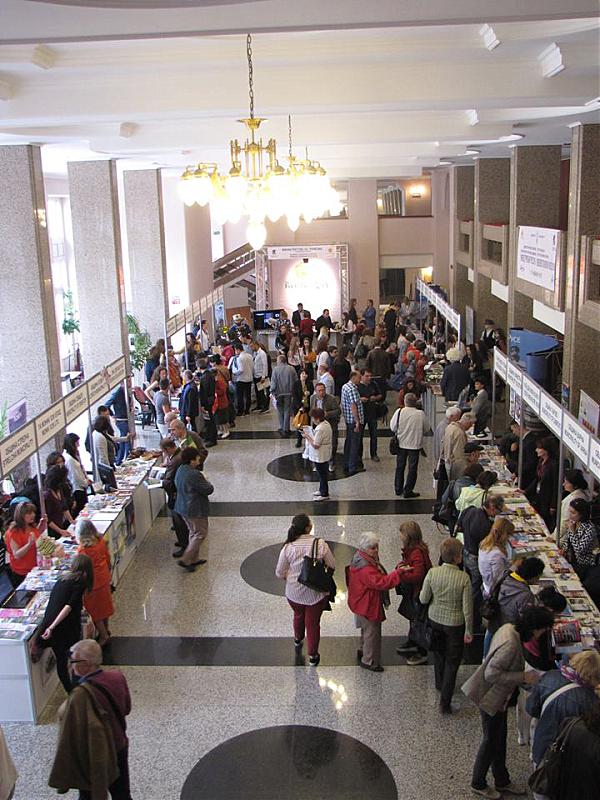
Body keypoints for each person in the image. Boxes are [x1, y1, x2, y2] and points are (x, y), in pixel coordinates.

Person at [464, 606, 554, 799]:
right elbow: (491, 674)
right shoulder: (511, 645)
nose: (542, 634)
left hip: (500, 699)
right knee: (490, 741)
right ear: (534, 628)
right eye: (542, 630)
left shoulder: (509, 628)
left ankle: (502, 780)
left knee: (499, 738)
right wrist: (523, 676)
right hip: (491, 698)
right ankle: (478, 783)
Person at [48, 638, 132, 800]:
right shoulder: (117, 677)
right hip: (119, 744)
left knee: (88, 795)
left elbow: (71, 728)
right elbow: (127, 708)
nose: (71, 665)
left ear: (86, 664)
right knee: (122, 793)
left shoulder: (80, 695)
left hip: (94, 754)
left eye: (74, 661)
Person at [419, 537, 473, 710]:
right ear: (457, 557)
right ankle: (445, 701)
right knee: (452, 661)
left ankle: (439, 683)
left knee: (439, 653)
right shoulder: (463, 578)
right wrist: (469, 630)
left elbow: (423, 598)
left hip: (435, 619)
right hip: (455, 624)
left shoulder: (432, 573)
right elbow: (467, 609)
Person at [275, 514, 335, 666]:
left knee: (298, 615)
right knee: (313, 624)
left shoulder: (288, 547)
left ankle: (298, 638)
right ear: (308, 528)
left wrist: (290, 577)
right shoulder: (320, 544)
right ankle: (313, 655)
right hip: (315, 594)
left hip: (293, 594)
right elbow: (332, 565)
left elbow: (279, 573)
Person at [526, 650, 600, 771]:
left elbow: (531, 708)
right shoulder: (590, 701)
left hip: (542, 745)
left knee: (540, 778)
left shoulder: (549, 676)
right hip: (568, 757)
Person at [347, 530, 403, 672]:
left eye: (377, 546)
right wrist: (398, 573)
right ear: (365, 548)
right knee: (372, 633)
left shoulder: (359, 558)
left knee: (366, 630)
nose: (377, 550)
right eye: (373, 548)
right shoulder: (366, 569)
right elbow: (382, 582)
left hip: (359, 601)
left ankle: (363, 650)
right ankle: (370, 661)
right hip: (368, 604)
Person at [38, 553, 94, 693]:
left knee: (61, 660)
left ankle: (70, 690)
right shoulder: (80, 582)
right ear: (86, 570)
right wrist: (52, 627)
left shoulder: (63, 578)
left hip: (53, 624)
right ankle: (76, 687)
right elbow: (68, 607)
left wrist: (50, 627)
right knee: (74, 656)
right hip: (66, 627)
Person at [461, 494, 505, 633]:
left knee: (470, 586)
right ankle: (474, 621)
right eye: (497, 510)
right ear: (491, 507)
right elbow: (487, 544)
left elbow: (460, 524)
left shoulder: (470, 510)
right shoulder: (484, 525)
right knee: (475, 591)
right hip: (475, 557)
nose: (497, 514)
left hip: (466, 551)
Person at [395, 521, 432, 662]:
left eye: (402, 533)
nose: (400, 536)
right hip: (415, 591)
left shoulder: (416, 553)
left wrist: (401, 574)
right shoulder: (415, 550)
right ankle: (413, 641)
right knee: (413, 618)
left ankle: (421, 651)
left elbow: (418, 575)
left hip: (417, 592)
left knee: (418, 620)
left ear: (408, 536)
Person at [174, 446, 214, 572]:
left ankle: (194, 559)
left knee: (193, 532)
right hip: (195, 509)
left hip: (182, 506)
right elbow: (208, 489)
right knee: (200, 534)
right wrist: (207, 481)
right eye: (197, 458)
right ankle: (186, 559)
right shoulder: (194, 474)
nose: (199, 459)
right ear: (191, 460)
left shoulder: (181, 469)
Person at [76, 519, 114, 647]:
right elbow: (107, 558)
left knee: (95, 611)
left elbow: (80, 569)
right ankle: (106, 630)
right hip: (104, 578)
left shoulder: (82, 551)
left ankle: (103, 636)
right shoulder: (100, 542)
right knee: (104, 607)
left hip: (92, 583)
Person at [489, 556, 546, 637]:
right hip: (509, 631)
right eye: (538, 577)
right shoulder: (525, 594)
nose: (538, 580)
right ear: (534, 576)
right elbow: (526, 619)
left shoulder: (505, 575)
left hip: (494, 621)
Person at [389, 393, 428, 498]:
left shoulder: (399, 412)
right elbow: (427, 428)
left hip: (401, 444)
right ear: (415, 403)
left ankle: (398, 489)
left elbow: (393, 427)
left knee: (400, 466)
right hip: (415, 445)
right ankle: (408, 490)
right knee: (412, 468)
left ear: (405, 402)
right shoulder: (420, 414)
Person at [4, 502, 46, 588]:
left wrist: (41, 527)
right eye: (29, 513)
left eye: (33, 512)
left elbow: (34, 537)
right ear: (21, 515)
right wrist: (29, 544)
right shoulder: (13, 532)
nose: (33, 515)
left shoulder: (31, 526)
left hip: (35, 568)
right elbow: (17, 555)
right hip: (22, 573)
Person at [160, 438, 189, 558]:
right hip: (181, 492)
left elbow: (169, 481)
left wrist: (160, 483)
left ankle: (184, 544)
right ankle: (183, 541)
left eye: (164, 451)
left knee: (178, 521)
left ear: (168, 449)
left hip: (176, 494)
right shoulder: (179, 455)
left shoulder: (174, 461)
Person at [525, 436, 559, 531]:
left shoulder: (554, 465)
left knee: (545, 521)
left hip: (547, 499)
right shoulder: (541, 461)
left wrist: (553, 505)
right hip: (538, 496)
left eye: (539, 448)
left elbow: (556, 486)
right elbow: (537, 479)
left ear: (546, 450)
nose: (536, 450)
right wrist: (526, 491)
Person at [561, 498, 600, 580]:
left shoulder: (589, 529)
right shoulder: (573, 522)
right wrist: (564, 549)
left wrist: (572, 532)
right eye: (569, 512)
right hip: (570, 559)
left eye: (573, 513)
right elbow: (568, 540)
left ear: (582, 514)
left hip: (583, 565)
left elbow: (579, 550)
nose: (570, 515)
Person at [478, 518, 515, 599]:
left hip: (486, 584)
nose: (509, 539)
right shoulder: (496, 555)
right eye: (509, 535)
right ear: (503, 534)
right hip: (494, 592)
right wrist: (513, 568)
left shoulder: (484, 543)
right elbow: (499, 579)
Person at [310, 382, 341, 472]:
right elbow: (311, 410)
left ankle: (331, 462)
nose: (321, 392)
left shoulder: (331, 399)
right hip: (317, 425)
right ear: (316, 391)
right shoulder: (312, 398)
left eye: (323, 390)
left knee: (333, 444)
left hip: (330, 425)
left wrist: (327, 414)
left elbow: (338, 411)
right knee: (317, 443)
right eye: (319, 391)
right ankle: (316, 463)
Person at [303, 408, 332, 501]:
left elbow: (316, 445)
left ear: (318, 419)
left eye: (313, 418)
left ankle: (324, 494)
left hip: (320, 454)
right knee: (322, 473)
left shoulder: (320, 429)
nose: (312, 420)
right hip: (325, 452)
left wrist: (307, 437)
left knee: (322, 474)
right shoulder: (326, 424)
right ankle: (321, 489)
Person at [557, 468, 591, 546]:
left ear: (574, 485)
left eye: (567, 482)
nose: (563, 484)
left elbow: (564, 522)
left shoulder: (573, 499)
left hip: (566, 539)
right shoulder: (581, 494)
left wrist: (554, 537)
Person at [341, 370, 364, 476]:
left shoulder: (345, 386)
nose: (360, 379)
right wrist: (357, 421)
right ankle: (352, 466)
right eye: (359, 377)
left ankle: (346, 463)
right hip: (353, 421)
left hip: (348, 419)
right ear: (353, 377)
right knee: (354, 444)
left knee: (349, 442)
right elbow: (353, 406)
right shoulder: (352, 389)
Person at [358, 368, 383, 463]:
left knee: (374, 435)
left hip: (372, 413)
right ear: (362, 376)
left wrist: (375, 398)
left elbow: (380, 395)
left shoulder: (374, 384)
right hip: (362, 414)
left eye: (370, 376)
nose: (369, 378)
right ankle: (359, 455)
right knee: (360, 436)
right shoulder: (358, 386)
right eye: (367, 376)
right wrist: (360, 399)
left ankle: (374, 454)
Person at [270, 354, 299, 437]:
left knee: (280, 410)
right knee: (287, 410)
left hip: (279, 393)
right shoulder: (291, 369)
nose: (276, 362)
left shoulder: (275, 370)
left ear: (280, 361)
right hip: (289, 393)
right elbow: (296, 380)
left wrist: (271, 391)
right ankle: (286, 428)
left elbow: (273, 382)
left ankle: (282, 427)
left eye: (277, 360)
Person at [44, 465, 75, 539]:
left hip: (61, 525)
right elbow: (48, 519)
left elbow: (64, 507)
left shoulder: (59, 489)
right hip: (53, 531)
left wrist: (71, 520)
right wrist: (60, 531)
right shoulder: (47, 495)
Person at [63, 433, 91, 515]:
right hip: (77, 489)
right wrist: (85, 482)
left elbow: (81, 467)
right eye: (77, 443)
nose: (78, 445)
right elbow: (75, 476)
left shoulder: (74, 455)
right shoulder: (69, 459)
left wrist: (86, 478)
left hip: (81, 485)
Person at [443, 412, 475, 480]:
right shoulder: (459, 434)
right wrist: (469, 461)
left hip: (448, 459)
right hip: (455, 465)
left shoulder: (450, 426)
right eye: (471, 424)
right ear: (468, 423)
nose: (470, 427)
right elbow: (459, 455)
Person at [105, 383, 131, 465]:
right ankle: (126, 459)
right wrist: (113, 415)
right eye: (128, 381)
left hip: (124, 418)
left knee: (124, 440)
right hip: (121, 420)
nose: (130, 383)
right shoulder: (118, 393)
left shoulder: (125, 391)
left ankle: (120, 460)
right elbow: (106, 405)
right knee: (127, 440)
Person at [197, 358, 218, 447]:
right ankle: (210, 436)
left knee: (209, 420)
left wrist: (203, 404)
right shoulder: (209, 374)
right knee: (209, 420)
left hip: (207, 402)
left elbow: (204, 392)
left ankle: (212, 438)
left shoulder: (205, 377)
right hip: (210, 399)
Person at [229, 342, 254, 416]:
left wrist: (234, 373)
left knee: (240, 396)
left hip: (241, 379)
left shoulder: (240, 358)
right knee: (248, 395)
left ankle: (240, 411)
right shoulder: (249, 356)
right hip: (249, 378)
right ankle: (247, 410)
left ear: (238, 350)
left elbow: (241, 370)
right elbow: (252, 367)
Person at [292, 369, 313, 450]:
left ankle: (308, 440)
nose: (304, 375)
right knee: (299, 423)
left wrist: (309, 392)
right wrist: (300, 406)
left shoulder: (309, 383)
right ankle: (299, 440)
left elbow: (312, 391)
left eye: (305, 374)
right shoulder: (296, 384)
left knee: (307, 424)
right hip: (298, 407)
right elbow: (295, 396)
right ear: (300, 375)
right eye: (302, 373)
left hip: (307, 406)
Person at [251, 339, 269, 411]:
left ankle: (265, 406)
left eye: (252, 346)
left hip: (261, 375)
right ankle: (259, 405)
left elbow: (265, 365)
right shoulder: (255, 353)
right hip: (256, 375)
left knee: (261, 392)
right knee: (257, 392)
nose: (251, 348)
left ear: (256, 345)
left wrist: (263, 376)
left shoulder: (262, 353)